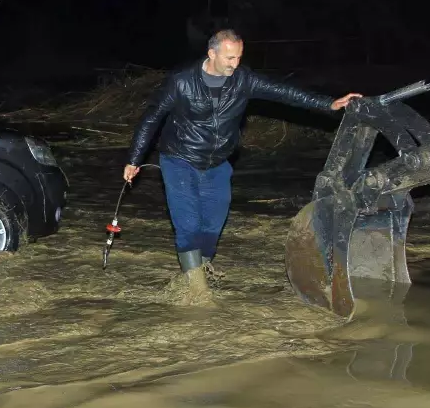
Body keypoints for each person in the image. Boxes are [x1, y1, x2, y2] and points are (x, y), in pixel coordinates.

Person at [123, 29, 361, 283]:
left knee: (213, 226)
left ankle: (201, 271)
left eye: (238, 57)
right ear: (211, 53)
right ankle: (195, 287)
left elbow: (284, 92)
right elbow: (151, 118)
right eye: (229, 58)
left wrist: (329, 104)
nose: (234, 64)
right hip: (180, 159)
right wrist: (134, 159)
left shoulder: (243, 80)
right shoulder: (181, 81)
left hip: (218, 163)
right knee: (189, 225)